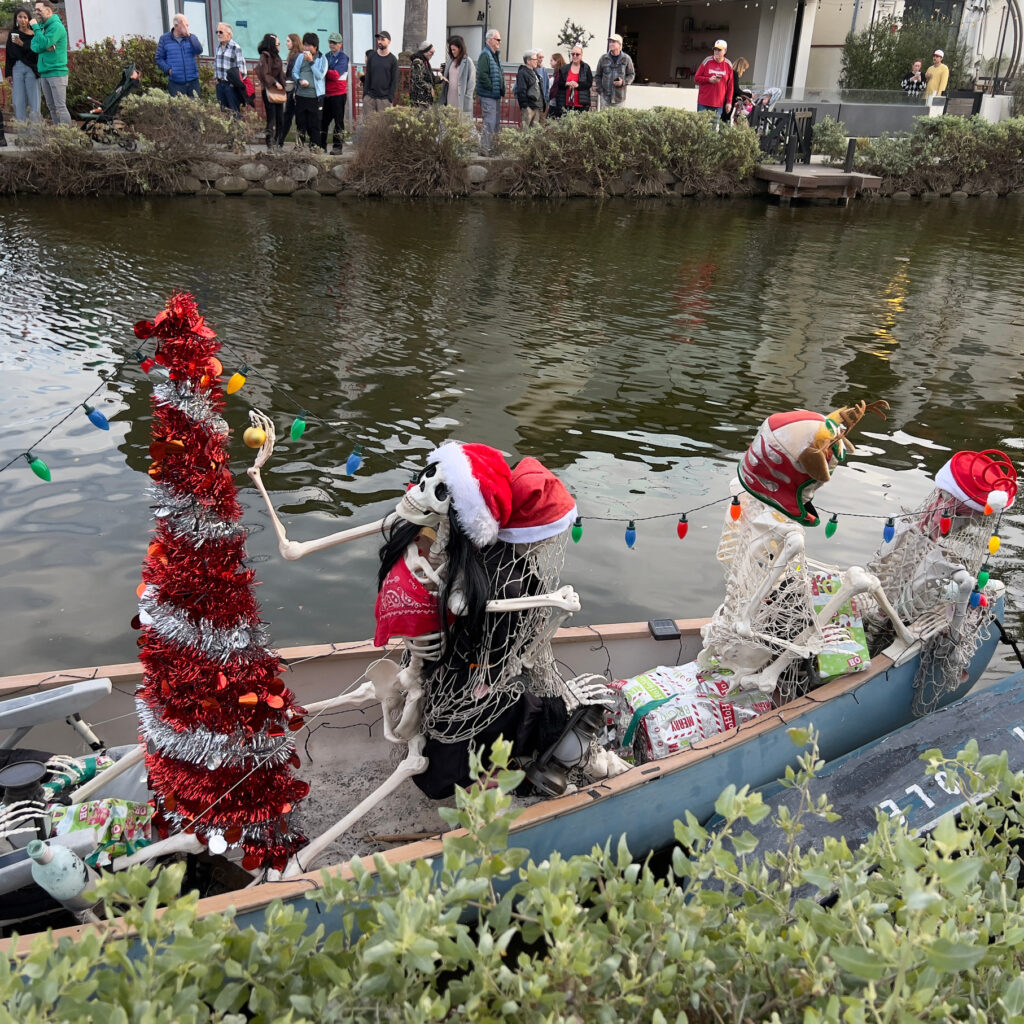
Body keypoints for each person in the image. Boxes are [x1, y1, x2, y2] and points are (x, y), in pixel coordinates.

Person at [29, 1, 69, 125]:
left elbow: (44, 43)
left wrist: (36, 28)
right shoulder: (42, 27)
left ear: (48, 10)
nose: (36, 13)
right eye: (35, 10)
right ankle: (59, 135)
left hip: (57, 72)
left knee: (60, 107)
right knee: (51, 108)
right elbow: (34, 47)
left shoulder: (56, 26)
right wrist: (44, 45)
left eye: (39, 10)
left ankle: (68, 137)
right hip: (44, 72)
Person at [5, 7, 41, 125]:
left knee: (34, 102)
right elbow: (10, 54)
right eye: (20, 17)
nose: (22, 20)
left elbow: (35, 52)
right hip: (17, 69)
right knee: (18, 101)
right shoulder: (13, 34)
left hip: (32, 69)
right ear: (16, 19)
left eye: (25, 17)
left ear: (29, 19)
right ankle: (23, 134)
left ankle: (36, 134)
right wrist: (8, 73)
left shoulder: (35, 34)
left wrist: (22, 44)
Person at [155, 13, 202, 98]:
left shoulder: (191, 38)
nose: (187, 28)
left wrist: (189, 36)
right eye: (185, 25)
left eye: (188, 26)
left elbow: (199, 50)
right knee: (178, 110)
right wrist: (169, 70)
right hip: (176, 83)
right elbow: (159, 58)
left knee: (196, 109)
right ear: (176, 26)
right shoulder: (165, 39)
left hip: (193, 82)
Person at [293, 32, 326, 149]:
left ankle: (315, 146)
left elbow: (320, 76)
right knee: (300, 122)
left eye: (309, 46)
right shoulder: (300, 57)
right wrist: (299, 80)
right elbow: (294, 72)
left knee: (315, 123)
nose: (306, 48)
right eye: (305, 45)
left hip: (315, 96)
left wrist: (311, 62)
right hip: (301, 94)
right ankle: (299, 145)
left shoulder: (322, 59)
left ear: (315, 46)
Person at [476, 28, 505, 151]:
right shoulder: (485, 55)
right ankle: (485, 149)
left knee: (495, 124)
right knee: (489, 123)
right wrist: (492, 88)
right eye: (497, 39)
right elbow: (482, 74)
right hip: (489, 95)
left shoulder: (494, 55)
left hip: (494, 95)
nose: (500, 41)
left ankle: (491, 148)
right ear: (490, 40)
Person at [256, 34, 286, 148]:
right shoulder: (265, 56)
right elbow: (264, 73)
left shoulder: (276, 56)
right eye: (278, 44)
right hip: (269, 90)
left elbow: (280, 73)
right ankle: (269, 142)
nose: (279, 46)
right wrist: (275, 82)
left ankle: (278, 141)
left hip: (278, 90)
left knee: (280, 117)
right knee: (271, 117)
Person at [322, 32, 348, 153]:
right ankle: (321, 146)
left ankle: (338, 147)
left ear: (340, 44)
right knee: (323, 122)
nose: (332, 45)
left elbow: (335, 75)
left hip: (338, 94)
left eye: (335, 43)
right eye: (330, 42)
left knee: (338, 122)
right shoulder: (325, 56)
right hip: (326, 94)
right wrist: (328, 71)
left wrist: (325, 71)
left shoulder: (343, 57)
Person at [593, 33, 635, 110]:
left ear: (619, 44)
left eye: (613, 42)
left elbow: (631, 75)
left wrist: (623, 82)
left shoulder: (626, 58)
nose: (611, 44)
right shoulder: (603, 58)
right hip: (605, 98)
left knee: (617, 121)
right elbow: (598, 75)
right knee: (604, 121)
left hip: (619, 98)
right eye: (610, 42)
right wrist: (600, 91)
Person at [694, 38, 733, 120]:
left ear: (725, 51)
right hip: (703, 102)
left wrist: (729, 102)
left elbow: (730, 86)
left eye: (719, 50)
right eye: (715, 49)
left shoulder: (728, 65)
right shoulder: (707, 61)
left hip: (718, 104)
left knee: (713, 130)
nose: (716, 52)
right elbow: (696, 78)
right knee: (701, 128)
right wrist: (709, 80)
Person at [361, 30, 398, 115]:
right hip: (370, 98)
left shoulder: (393, 60)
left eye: (382, 39)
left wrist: (390, 98)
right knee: (369, 125)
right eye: (378, 39)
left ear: (389, 41)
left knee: (383, 126)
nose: (379, 41)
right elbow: (368, 76)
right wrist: (365, 95)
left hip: (385, 99)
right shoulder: (372, 56)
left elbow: (394, 80)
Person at [213, 22, 246, 113]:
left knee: (234, 112)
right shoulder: (218, 48)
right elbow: (216, 64)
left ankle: (236, 128)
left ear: (229, 34)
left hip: (230, 86)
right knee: (223, 113)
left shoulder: (236, 48)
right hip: (220, 85)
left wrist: (234, 84)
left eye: (221, 32)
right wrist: (216, 79)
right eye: (217, 32)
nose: (218, 34)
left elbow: (242, 69)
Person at [553, 44, 593, 116]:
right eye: (573, 54)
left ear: (581, 55)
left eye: (577, 54)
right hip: (566, 104)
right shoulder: (564, 68)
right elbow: (559, 84)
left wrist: (578, 85)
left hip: (581, 105)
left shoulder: (586, 68)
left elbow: (589, 83)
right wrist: (567, 83)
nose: (574, 56)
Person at [440, 35, 474, 118]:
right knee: (449, 120)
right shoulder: (450, 61)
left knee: (460, 122)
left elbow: (471, 83)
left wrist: (467, 99)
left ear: (460, 48)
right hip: (449, 96)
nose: (452, 52)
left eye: (454, 50)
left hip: (461, 98)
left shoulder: (468, 62)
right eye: (451, 50)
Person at [279, 33, 304, 146]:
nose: (286, 43)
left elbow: (292, 74)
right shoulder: (297, 55)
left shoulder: (295, 56)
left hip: (293, 89)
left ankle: (280, 141)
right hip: (296, 89)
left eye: (288, 41)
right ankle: (298, 143)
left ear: (294, 42)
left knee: (288, 116)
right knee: (295, 117)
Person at [515, 50, 543, 129]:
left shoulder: (534, 72)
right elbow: (521, 90)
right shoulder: (523, 73)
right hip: (529, 107)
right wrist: (525, 106)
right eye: (535, 59)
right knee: (525, 132)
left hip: (536, 106)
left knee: (533, 132)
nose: (537, 61)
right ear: (528, 61)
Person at [409, 41, 437, 107]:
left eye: (433, 53)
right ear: (425, 51)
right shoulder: (417, 62)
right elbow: (418, 80)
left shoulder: (425, 62)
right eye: (431, 52)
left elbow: (430, 78)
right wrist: (430, 88)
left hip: (425, 100)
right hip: (419, 100)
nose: (432, 55)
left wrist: (441, 78)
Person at [724, 56, 749, 122]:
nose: (744, 71)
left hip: (726, 100)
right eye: (744, 69)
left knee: (725, 119)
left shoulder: (731, 73)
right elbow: (736, 90)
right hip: (728, 101)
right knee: (726, 120)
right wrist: (749, 95)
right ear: (741, 67)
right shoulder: (734, 74)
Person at [547, 53, 565, 118]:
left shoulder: (559, 74)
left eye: (551, 60)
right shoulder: (558, 73)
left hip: (556, 104)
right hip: (556, 103)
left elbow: (554, 89)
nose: (550, 62)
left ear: (557, 61)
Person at [534, 48, 550, 119]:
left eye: (542, 57)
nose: (541, 59)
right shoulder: (528, 70)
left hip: (542, 104)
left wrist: (546, 101)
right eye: (540, 57)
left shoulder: (544, 70)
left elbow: (547, 87)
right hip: (531, 104)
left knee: (541, 125)